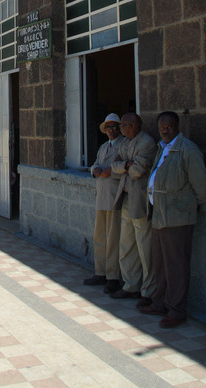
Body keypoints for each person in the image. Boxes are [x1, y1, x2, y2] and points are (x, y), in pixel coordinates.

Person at [140, 111, 206, 329]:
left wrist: (190, 205)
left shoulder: (187, 150)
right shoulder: (162, 148)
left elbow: (202, 186)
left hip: (177, 217)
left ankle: (177, 310)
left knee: (176, 267)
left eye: (169, 126)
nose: (164, 130)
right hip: (159, 216)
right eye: (161, 126)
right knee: (160, 264)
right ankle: (159, 302)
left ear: (177, 126)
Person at [110, 113, 156, 306]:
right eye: (121, 125)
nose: (121, 128)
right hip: (126, 197)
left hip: (140, 199)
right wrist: (127, 164)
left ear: (134, 125)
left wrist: (125, 165)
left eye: (124, 125)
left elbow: (138, 171)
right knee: (126, 244)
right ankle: (130, 285)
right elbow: (114, 165)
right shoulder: (124, 143)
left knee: (145, 247)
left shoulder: (146, 143)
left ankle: (148, 290)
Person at [84, 113, 125, 294]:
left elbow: (123, 166)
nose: (111, 130)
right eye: (108, 127)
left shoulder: (124, 146)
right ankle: (100, 272)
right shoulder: (103, 147)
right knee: (99, 237)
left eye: (114, 127)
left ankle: (113, 277)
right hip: (101, 198)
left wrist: (109, 171)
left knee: (113, 239)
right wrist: (97, 170)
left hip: (115, 198)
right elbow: (94, 165)